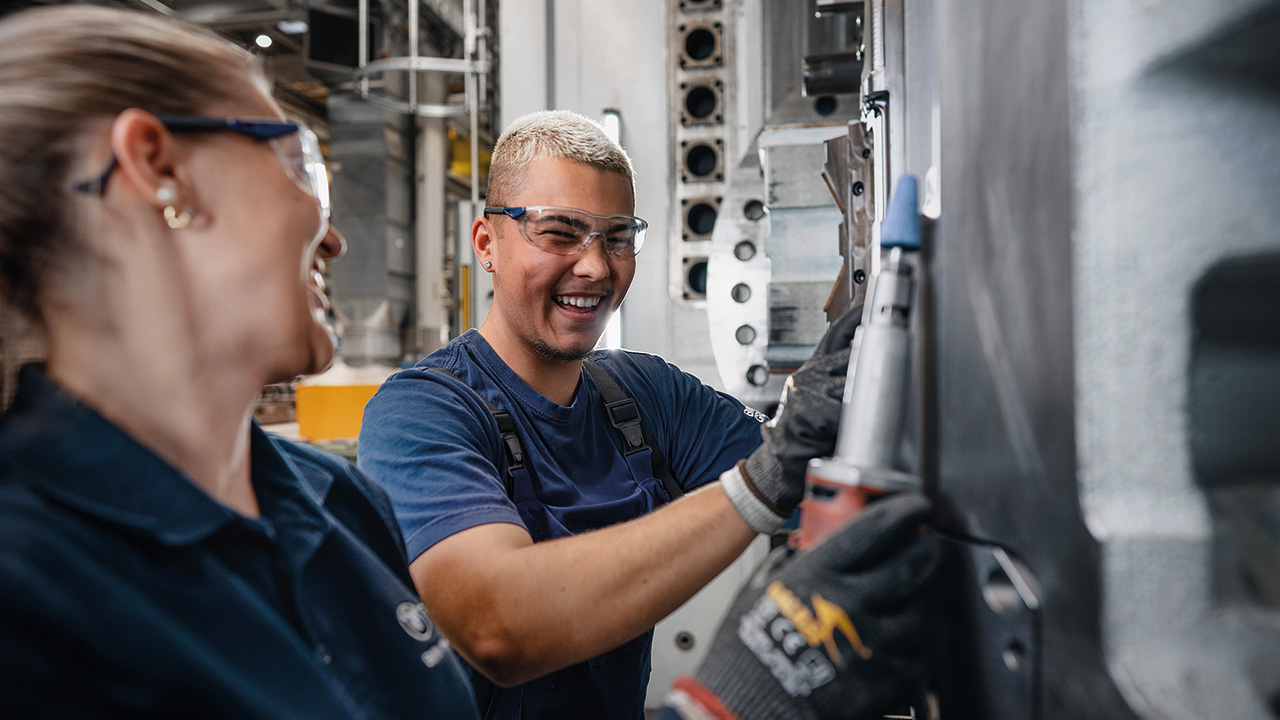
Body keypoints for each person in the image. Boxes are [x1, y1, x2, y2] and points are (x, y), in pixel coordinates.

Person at [0, 6, 941, 720]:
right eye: (302, 170)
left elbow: (799, 470)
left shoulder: (327, 508)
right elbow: (499, 628)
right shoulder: (35, 585)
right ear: (156, 172)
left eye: (617, 237)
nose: (332, 241)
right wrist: (731, 695)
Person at [355, 111, 904, 718]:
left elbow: (815, 489)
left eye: (617, 237)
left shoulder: (646, 396)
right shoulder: (421, 413)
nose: (596, 266)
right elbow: (497, 627)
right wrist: (761, 485)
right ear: (488, 243)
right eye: (561, 232)